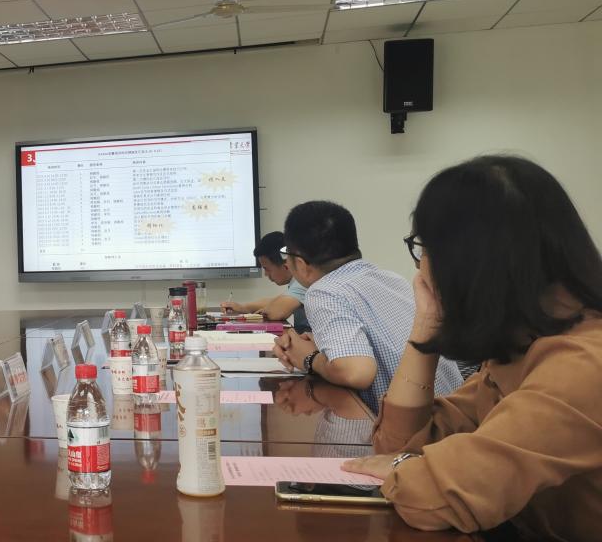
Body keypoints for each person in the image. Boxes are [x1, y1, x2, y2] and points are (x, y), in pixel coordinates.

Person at [342, 156, 602, 539]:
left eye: (425, 248)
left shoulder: (582, 364)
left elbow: (433, 499)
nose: (421, 267)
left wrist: (403, 466)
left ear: (469, 261)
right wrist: (427, 328)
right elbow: (399, 444)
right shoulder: (522, 344)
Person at [273, 200, 462, 411]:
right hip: (456, 412)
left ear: (300, 263)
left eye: (286, 254)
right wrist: (322, 347)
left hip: (419, 424)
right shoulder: (390, 278)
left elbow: (356, 372)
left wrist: (308, 358)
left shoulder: (323, 291)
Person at [221, 231, 311, 331]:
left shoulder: (303, 281)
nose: (265, 274)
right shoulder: (297, 282)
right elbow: (274, 301)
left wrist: (265, 311)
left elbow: (277, 311)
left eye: (267, 269)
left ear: (286, 265)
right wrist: (242, 307)